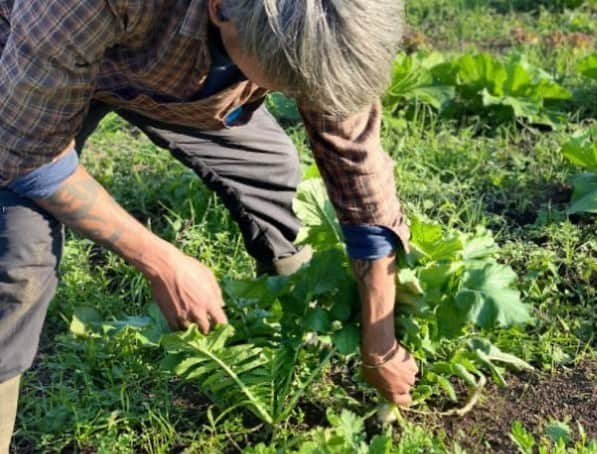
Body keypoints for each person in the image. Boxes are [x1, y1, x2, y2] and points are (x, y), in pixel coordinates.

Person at [0, 0, 418, 449]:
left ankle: (300, 335)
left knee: (274, 176)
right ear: (222, 10)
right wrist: (162, 261)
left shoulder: (328, 17)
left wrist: (379, 340)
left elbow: (359, 175)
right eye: (284, 81)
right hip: (23, 73)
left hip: (179, 77)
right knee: (19, 260)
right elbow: (27, 151)